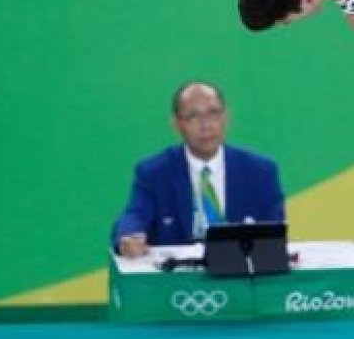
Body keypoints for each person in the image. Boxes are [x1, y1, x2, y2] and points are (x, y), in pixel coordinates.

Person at [111, 81, 285, 257]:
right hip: (179, 281)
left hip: (242, 276)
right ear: (177, 124)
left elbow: (276, 232)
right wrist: (128, 238)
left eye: (214, 113)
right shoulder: (154, 173)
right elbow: (135, 215)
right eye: (193, 117)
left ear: (226, 117)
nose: (206, 126)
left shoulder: (261, 172)